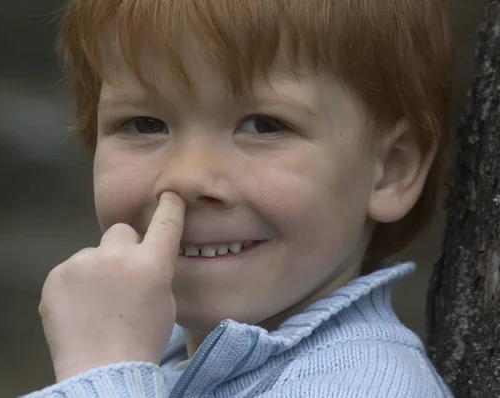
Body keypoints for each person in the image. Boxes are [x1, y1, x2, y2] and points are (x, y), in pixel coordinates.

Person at [23, 0, 454, 396]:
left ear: (391, 170)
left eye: (263, 126)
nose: (187, 177)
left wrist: (101, 371)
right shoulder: (153, 351)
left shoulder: (366, 386)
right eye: (143, 124)